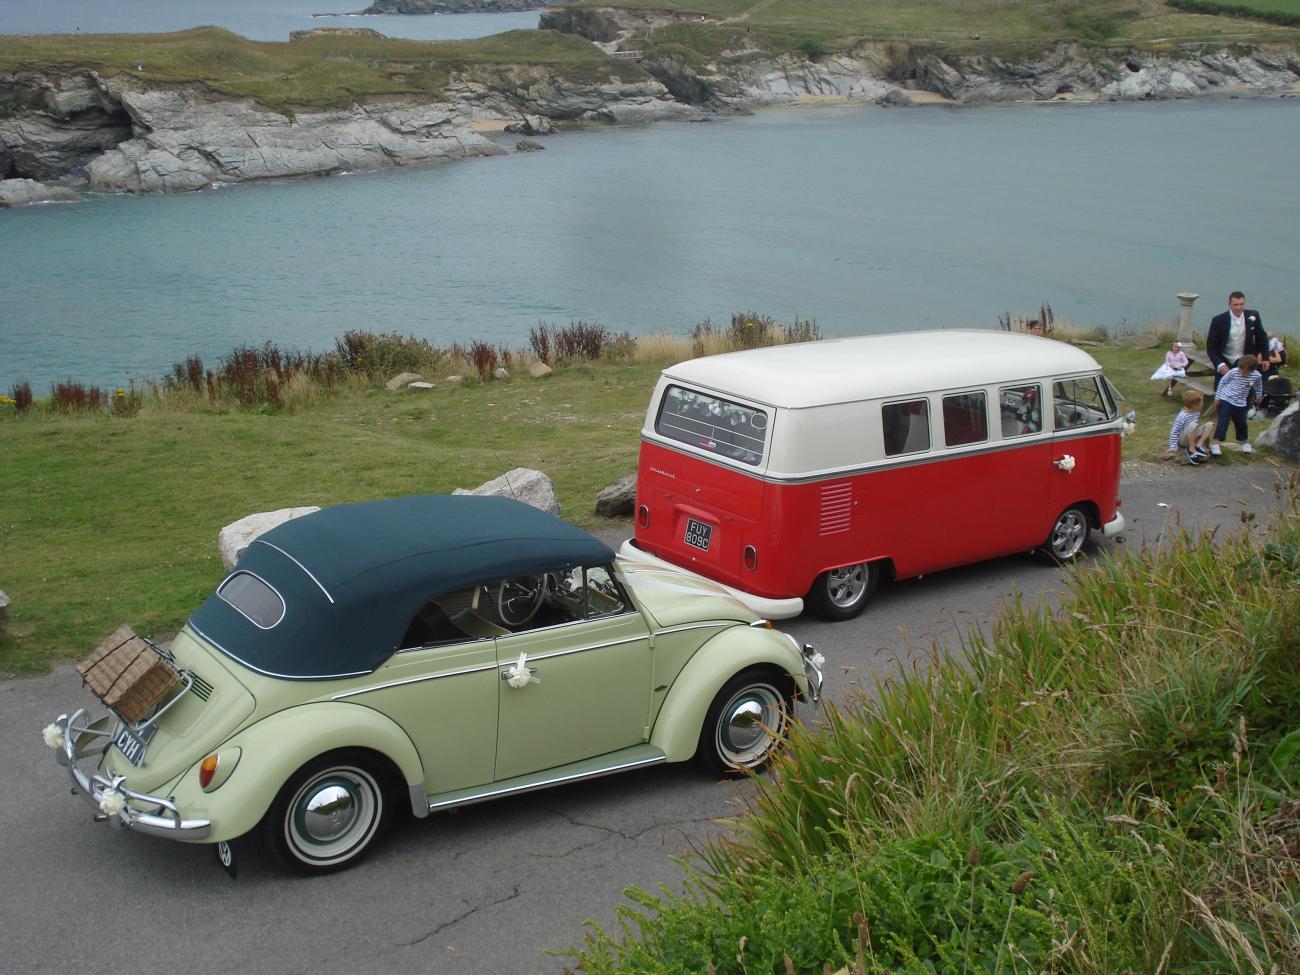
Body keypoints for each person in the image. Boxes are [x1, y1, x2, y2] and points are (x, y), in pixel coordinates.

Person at [1206, 291, 1270, 388]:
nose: (1239, 308)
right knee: (1222, 390)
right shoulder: (1218, 320)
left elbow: (1262, 338)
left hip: (1246, 362)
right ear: (1229, 305)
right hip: (1225, 361)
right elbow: (1211, 347)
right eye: (1235, 305)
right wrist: (1220, 364)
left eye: (1241, 304)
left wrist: (1266, 358)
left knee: (1247, 391)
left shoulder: (1253, 316)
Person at [1211, 354, 1264, 456]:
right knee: (1223, 420)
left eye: (1244, 370)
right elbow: (1222, 382)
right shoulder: (1233, 372)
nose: (1241, 372)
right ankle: (1216, 444)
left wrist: (1258, 397)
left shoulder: (1256, 376)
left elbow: (1258, 386)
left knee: (1241, 422)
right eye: (1240, 369)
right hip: (1226, 398)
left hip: (1240, 402)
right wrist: (1217, 398)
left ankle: (1245, 442)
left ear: (1251, 370)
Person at [1167, 389, 1213, 465]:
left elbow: (1199, 400)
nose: (1202, 405)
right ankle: (1191, 449)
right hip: (1183, 440)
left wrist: (1201, 396)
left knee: (1210, 424)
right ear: (1195, 406)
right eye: (1200, 404)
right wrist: (1173, 446)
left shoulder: (1196, 411)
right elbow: (1174, 431)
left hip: (1193, 435)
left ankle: (1198, 445)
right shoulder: (1183, 416)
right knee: (1193, 425)